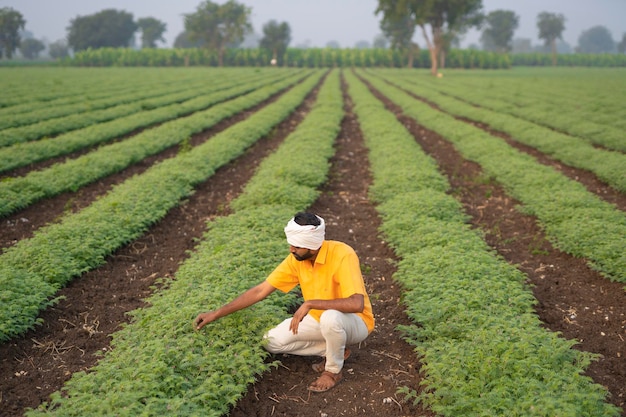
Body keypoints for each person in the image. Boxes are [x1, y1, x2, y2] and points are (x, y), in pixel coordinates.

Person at [194, 211, 374, 392]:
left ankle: (333, 371)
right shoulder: (297, 260)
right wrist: (216, 313)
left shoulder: (343, 254)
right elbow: (260, 290)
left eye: (296, 246)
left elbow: (356, 304)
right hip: (320, 319)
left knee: (330, 318)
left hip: (355, 321)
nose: (291, 250)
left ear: (311, 245)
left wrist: (310, 304)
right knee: (271, 341)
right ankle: (336, 351)